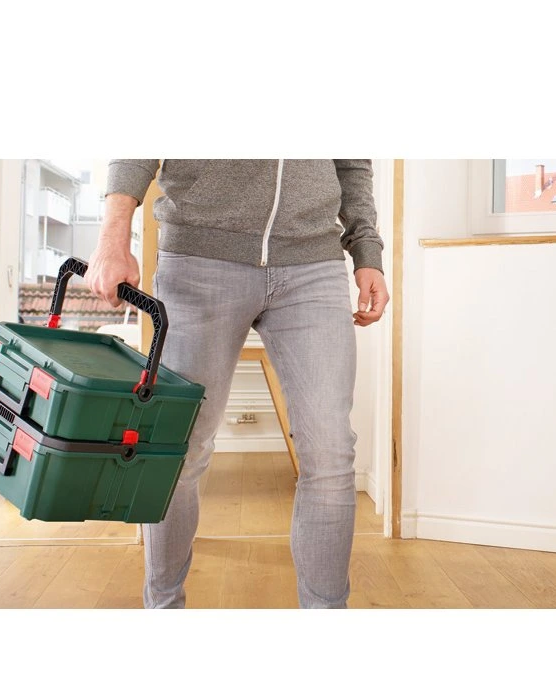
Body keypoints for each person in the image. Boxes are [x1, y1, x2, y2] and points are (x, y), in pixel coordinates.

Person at [86, 160, 389, 609]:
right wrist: (113, 239)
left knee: (331, 452)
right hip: (199, 258)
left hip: (313, 264)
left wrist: (366, 250)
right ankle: (164, 607)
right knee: (178, 450)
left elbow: (351, 163)